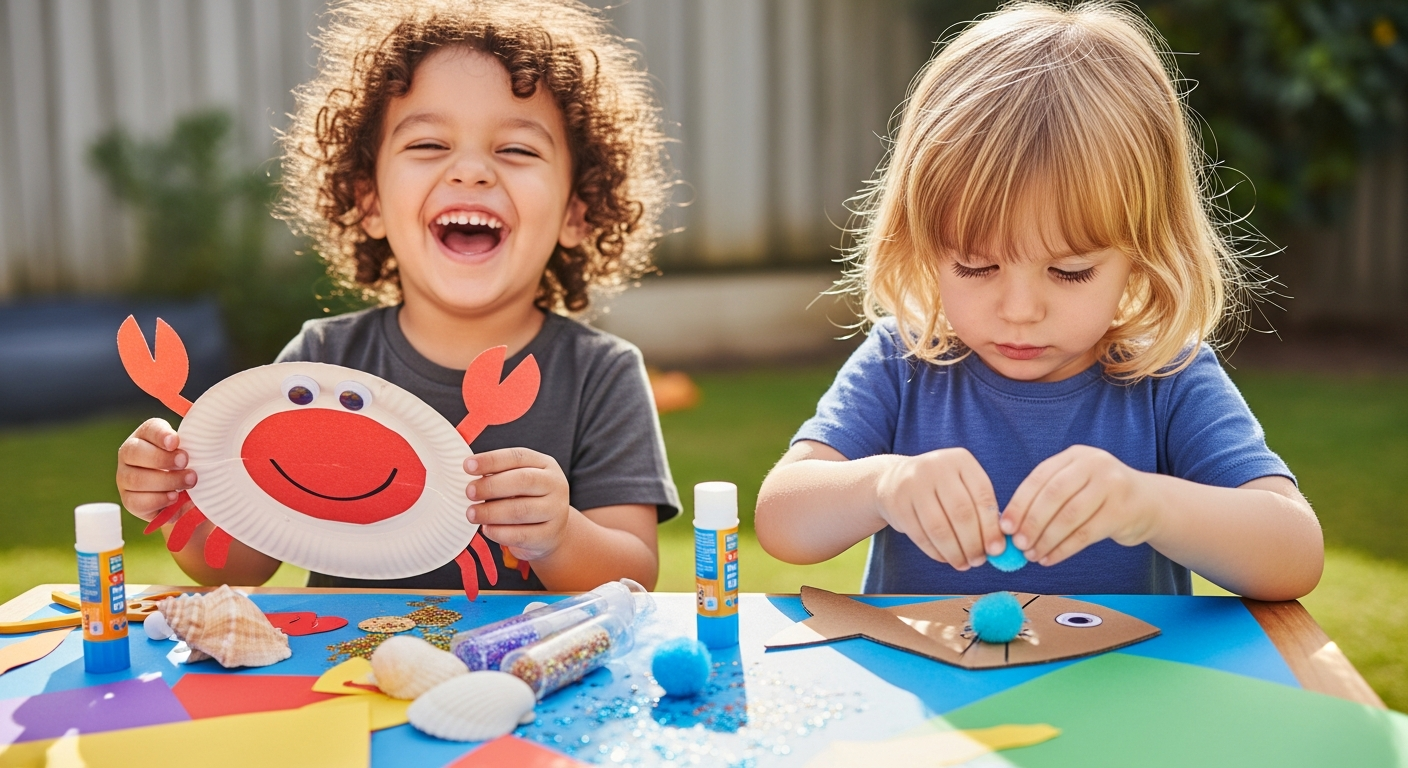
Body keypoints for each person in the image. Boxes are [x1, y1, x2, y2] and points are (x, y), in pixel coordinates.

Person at [754, 2, 1322, 600]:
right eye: (977, 266)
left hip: (1123, 665)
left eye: (1070, 272)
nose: (1020, 310)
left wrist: (1150, 505)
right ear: (923, 243)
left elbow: (1295, 554)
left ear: (1142, 253)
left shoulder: (1166, 378)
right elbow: (781, 522)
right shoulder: (905, 361)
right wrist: (881, 486)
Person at [114, 0, 679, 592]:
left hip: (533, 654)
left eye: (516, 149)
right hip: (345, 654)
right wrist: (175, 498)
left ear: (576, 213)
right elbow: (238, 564)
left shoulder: (602, 375)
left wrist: (561, 535)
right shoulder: (319, 364)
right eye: (429, 145)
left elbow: (634, 574)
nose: (471, 171)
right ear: (370, 202)